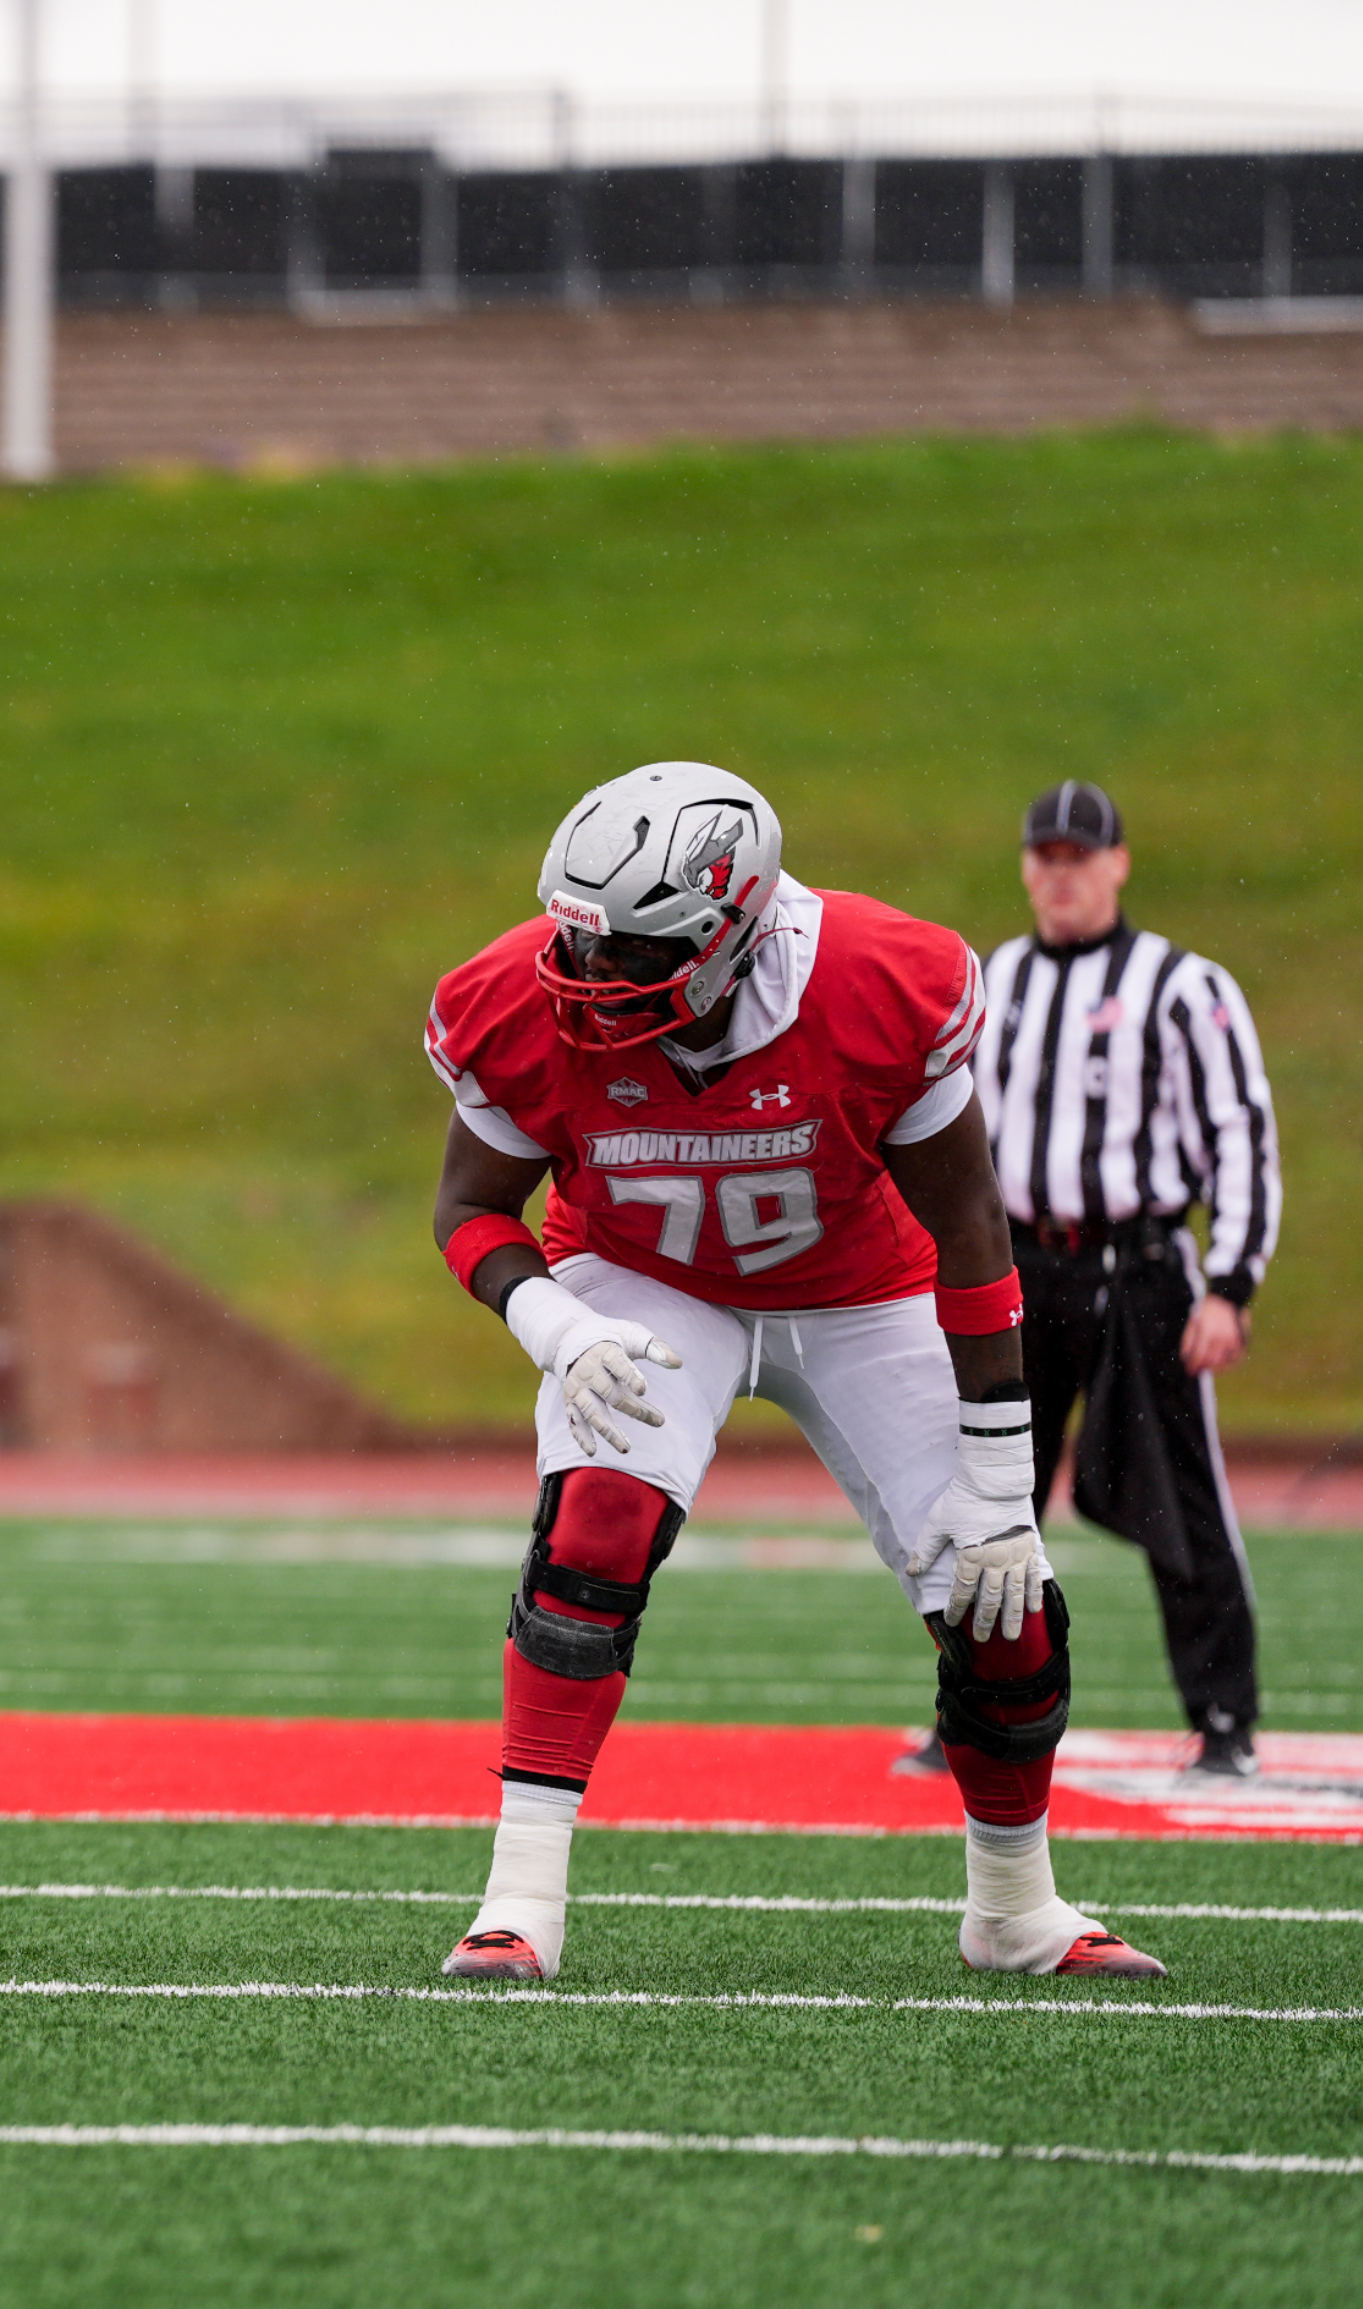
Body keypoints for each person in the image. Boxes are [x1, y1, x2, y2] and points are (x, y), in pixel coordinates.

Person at [423, 760, 1165, 1983]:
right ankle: (518, 1901)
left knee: (1006, 1602)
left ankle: (1015, 1908)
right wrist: (554, 1324)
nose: (588, 979)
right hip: (641, 1279)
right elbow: (468, 1208)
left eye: (631, 953)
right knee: (593, 1532)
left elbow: (972, 1228)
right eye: (580, 942)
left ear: (729, 936)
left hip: (862, 1288)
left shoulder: (877, 980)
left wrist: (996, 1476)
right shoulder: (520, 995)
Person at [963, 779, 1280, 1777]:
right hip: (1020, 1266)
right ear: (1026, 866)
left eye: (1078, 856)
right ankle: (976, 1715)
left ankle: (1224, 1720)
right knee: (987, 1494)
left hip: (1138, 1270)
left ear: (1117, 862)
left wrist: (1230, 1282)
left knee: (1183, 1500)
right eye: (1044, 857)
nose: (1059, 875)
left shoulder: (1185, 987)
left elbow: (1240, 1136)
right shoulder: (993, 979)